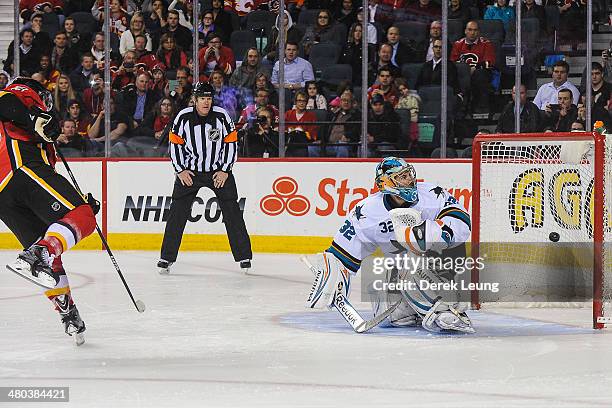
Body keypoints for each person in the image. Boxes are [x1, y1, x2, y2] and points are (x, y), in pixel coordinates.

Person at [305, 157, 473, 333]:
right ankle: (417, 310)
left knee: (412, 262)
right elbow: (343, 254)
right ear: (385, 183)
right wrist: (332, 275)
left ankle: (449, 309)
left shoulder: (433, 194)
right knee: (394, 316)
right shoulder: (367, 212)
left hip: (444, 264)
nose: (410, 179)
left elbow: (462, 221)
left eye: (409, 174)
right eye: (402, 176)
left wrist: (432, 232)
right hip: (403, 273)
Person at [0, 77, 97, 345]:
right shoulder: (23, 96)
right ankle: (38, 255)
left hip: (5, 193)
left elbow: (48, 195)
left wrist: (77, 205)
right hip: (22, 169)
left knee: (50, 247)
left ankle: (68, 313)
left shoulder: (31, 125)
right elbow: (5, 100)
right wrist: (34, 116)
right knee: (84, 218)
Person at [158, 82, 252, 273]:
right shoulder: (183, 117)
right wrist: (180, 170)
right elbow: (175, 144)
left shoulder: (222, 116)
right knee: (177, 213)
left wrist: (225, 170)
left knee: (232, 211)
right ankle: (166, 258)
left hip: (218, 172)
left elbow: (231, 143)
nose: (206, 102)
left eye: (209, 98)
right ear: (195, 100)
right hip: (190, 172)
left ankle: (244, 256)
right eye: (202, 98)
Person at [450, 21, 496, 113]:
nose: (472, 33)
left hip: (480, 74)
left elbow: (490, 62)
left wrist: (475, 68)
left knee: (480, 75)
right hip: (462, 75)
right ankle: (460, 107)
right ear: (465, 31)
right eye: (470, 30)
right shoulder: (458, 44)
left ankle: (480, 107)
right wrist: (465, 71)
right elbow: (452, 63)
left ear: (478, 32)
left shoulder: (486, 44)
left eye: (475, 30)